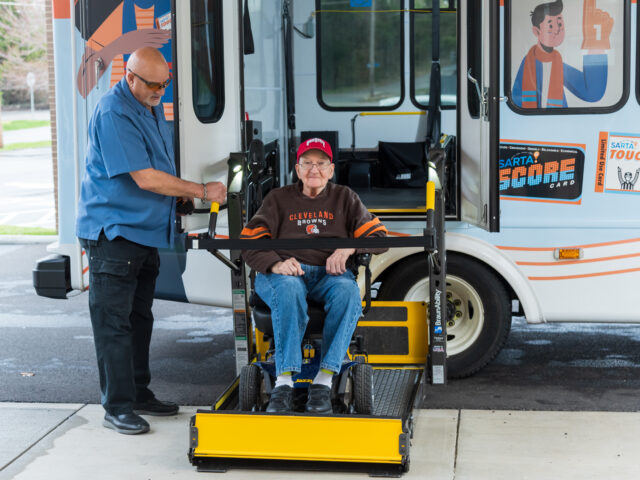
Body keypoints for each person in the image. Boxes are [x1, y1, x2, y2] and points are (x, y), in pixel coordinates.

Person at [76, 47, 226, 435]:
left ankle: (139, 394)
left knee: (140, 318)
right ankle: (118, 407)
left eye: (165, 84)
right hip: (115, 233)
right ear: (130, 77)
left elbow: (158, 163)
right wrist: (202, 191)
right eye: (154, 85)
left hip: (145, 231)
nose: (161, 91)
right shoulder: (114, 112)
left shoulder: (149, 104)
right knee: (114, 323)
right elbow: (144, 177)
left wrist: (179, 198)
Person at [241, 138, 387, 414]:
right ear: (297, 169)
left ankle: (323, 380)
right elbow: (250, 241)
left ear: (331, 170)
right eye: (307, 163)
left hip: (328, 276)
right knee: (289, 288)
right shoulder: (277, 199)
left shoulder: (345, 197)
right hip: (283, 274)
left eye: (320, 164)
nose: (314, 169)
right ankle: (284, 384)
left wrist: (347, 248)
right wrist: (275, 264)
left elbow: (379, 236)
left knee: (347, 292)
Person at [512, 0, 612, 109]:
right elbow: (516, 101)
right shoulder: (528, 65)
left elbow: (592, 93)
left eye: (559, 23)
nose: (557, 30)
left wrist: (596, 41)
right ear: (536, 31)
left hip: (559, 123)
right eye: (550, 26)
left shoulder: (558, 65)